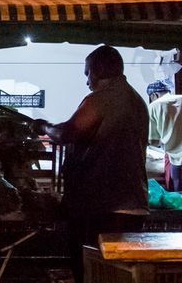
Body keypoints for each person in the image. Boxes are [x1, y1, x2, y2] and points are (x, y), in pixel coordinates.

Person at [49, 45, 149, 240]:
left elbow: (66, 133)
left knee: (93, 258)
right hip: (132, 204)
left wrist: (43, 127)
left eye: (88, 73)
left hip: (104, 206)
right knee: (120, 260)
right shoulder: (136, 100)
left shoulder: (103, 98)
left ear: (98, 71)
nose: (87, 81)